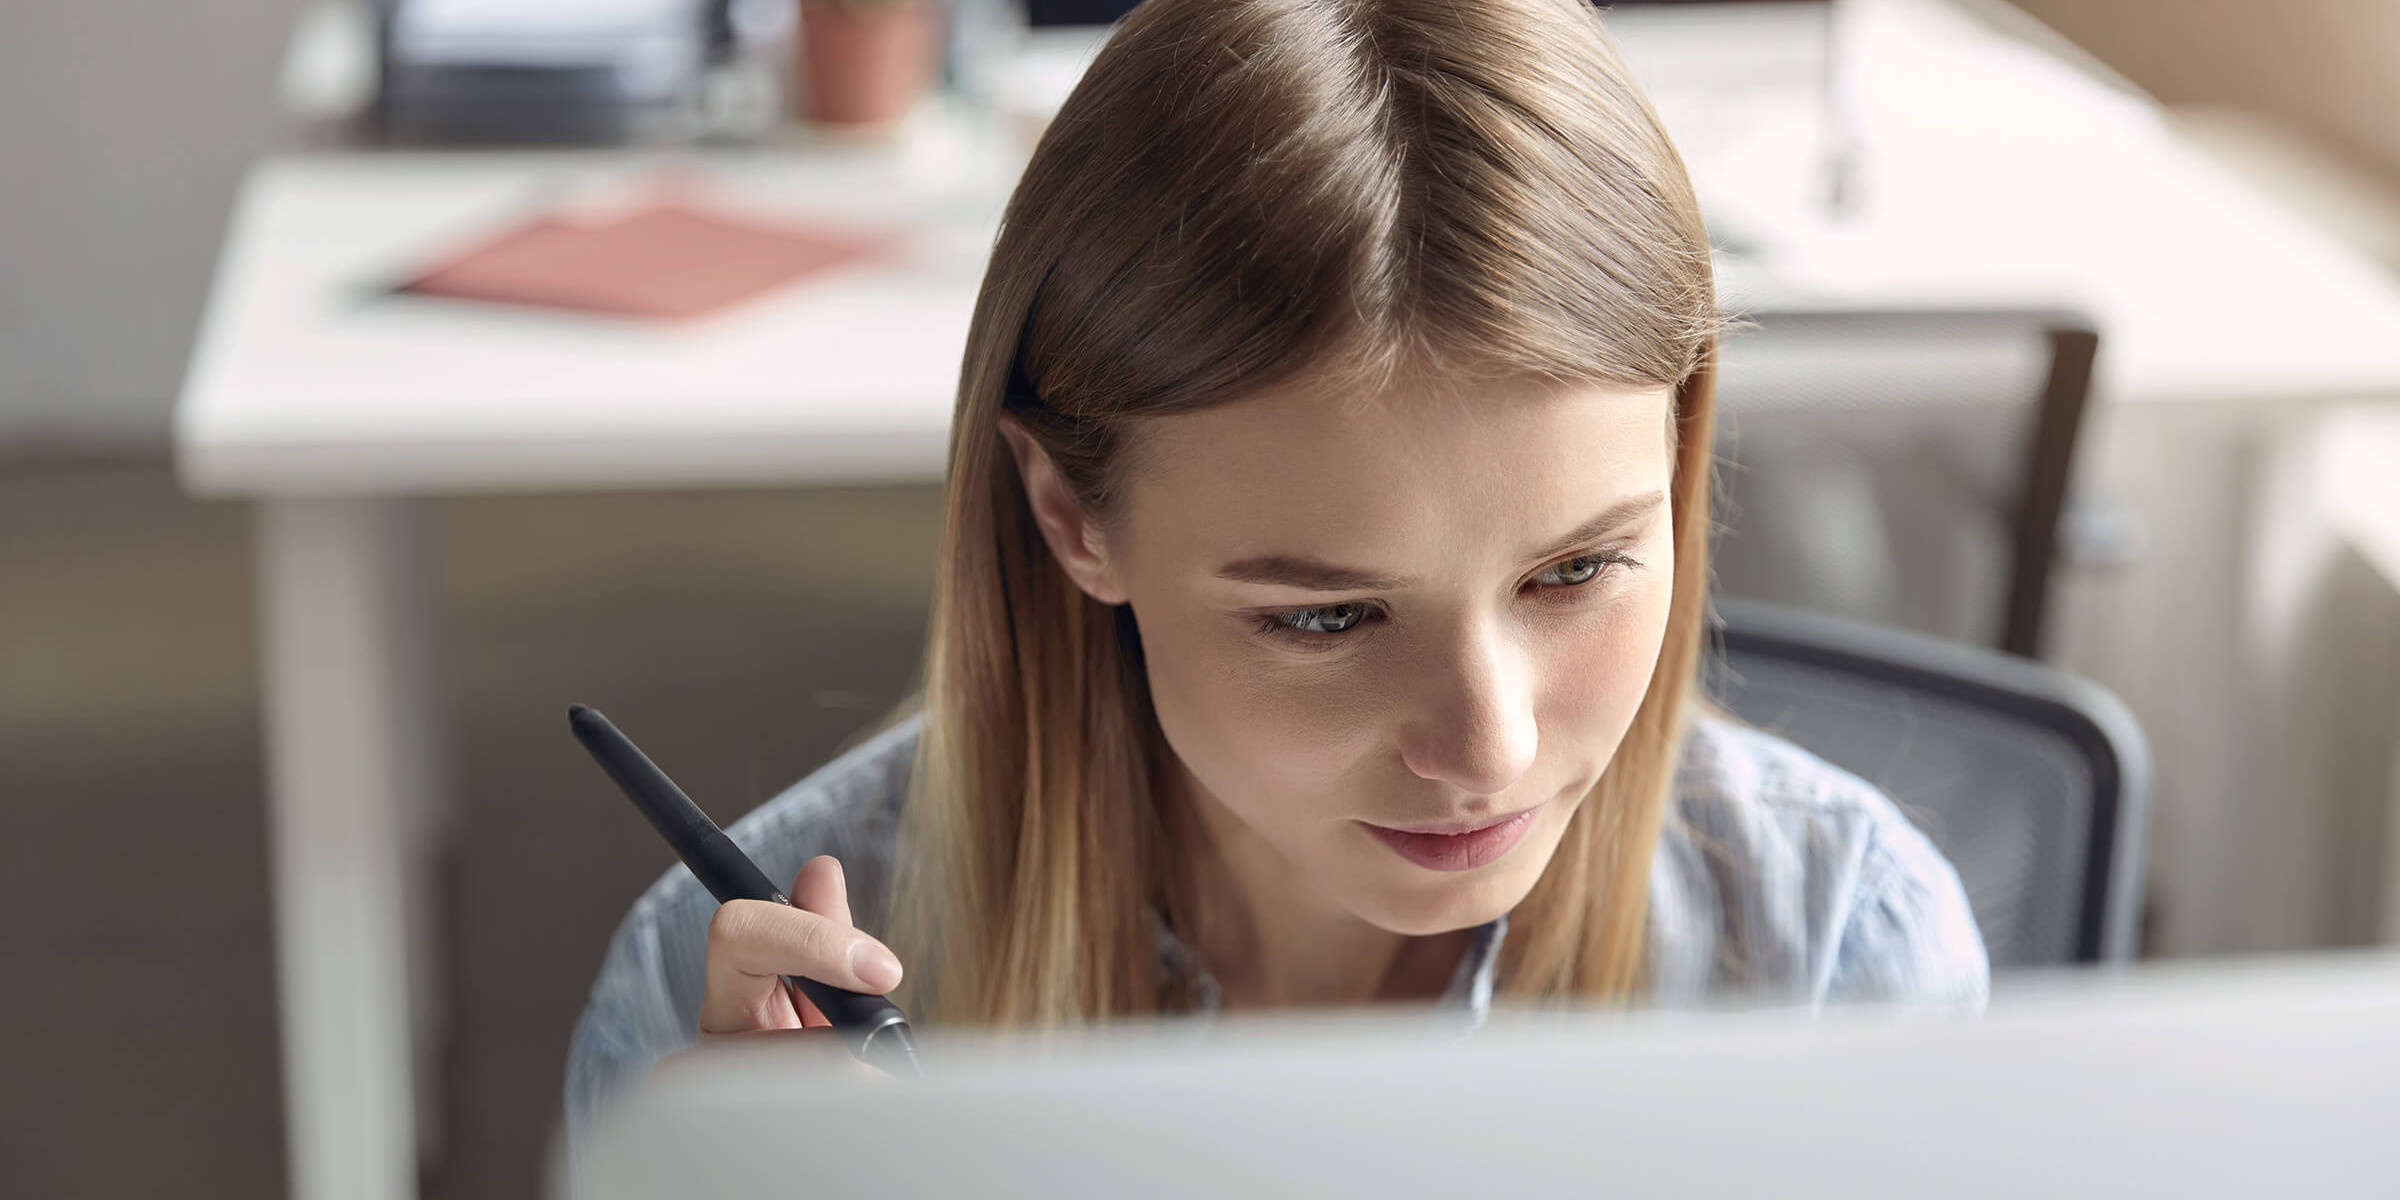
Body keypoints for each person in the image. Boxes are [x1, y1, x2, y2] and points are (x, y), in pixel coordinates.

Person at [565, 0, 1987, 1146]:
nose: (1487, 747)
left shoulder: (1842, 957)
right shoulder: (735, 1015)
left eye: (1575, 574)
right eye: (1326, 615)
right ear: (1072, 515)